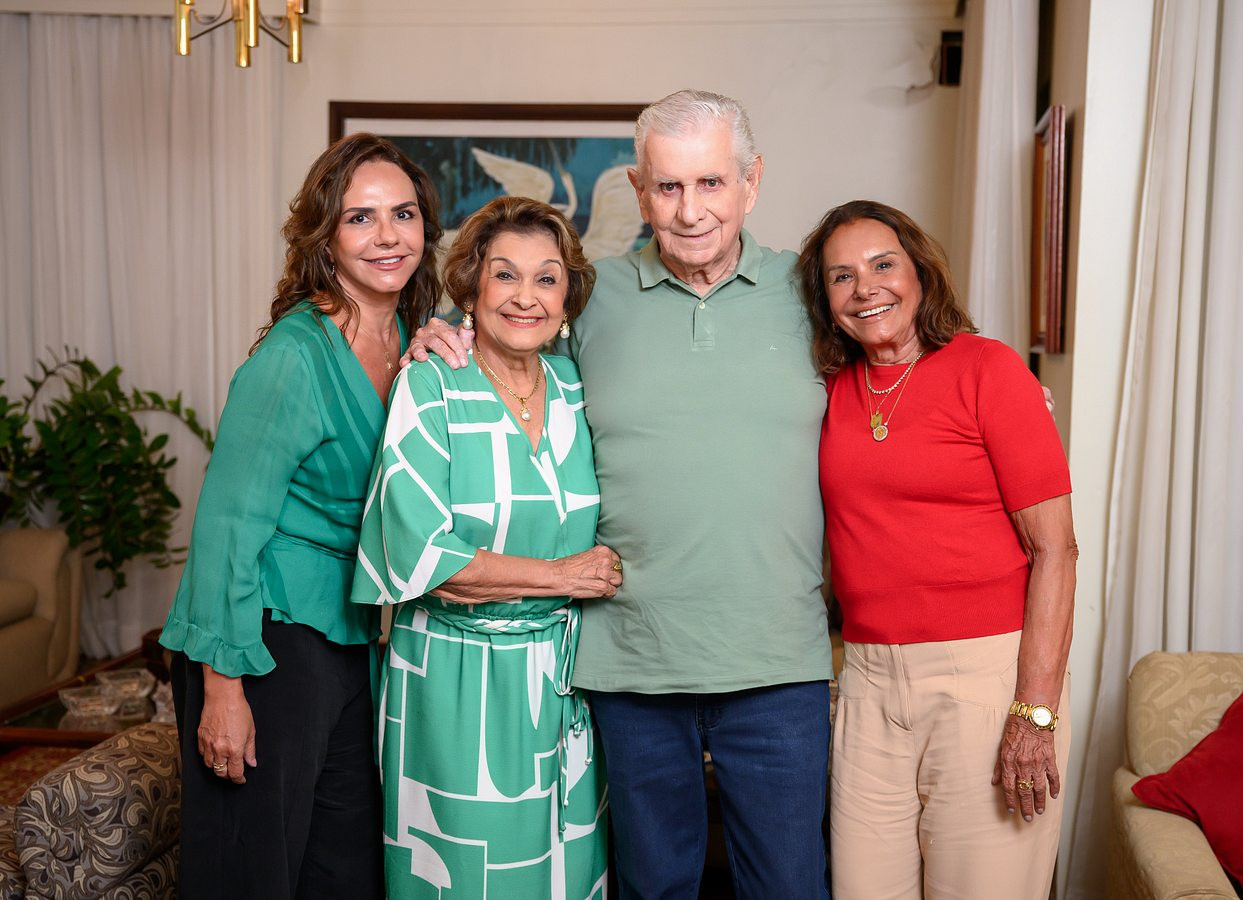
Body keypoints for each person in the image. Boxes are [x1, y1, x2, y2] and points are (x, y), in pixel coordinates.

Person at [408, 90, 832, 899]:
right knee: (650, 887)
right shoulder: (588, 296)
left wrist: (997, 394)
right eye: (667, 186)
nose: (689, 210)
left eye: (710, 183)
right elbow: (504, 335)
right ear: (639, 191)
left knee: (789, 886)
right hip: (630, 661)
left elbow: (904, 347)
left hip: (778, 665)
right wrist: (436, 331)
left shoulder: (808, 292)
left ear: (751, 181)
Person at [159, 132, 442, 899]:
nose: (387, 236)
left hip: (350, 632)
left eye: (403, 213)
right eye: (360, 217)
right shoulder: (294, 356)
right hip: (264, 635)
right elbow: (226, 527)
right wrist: (223, 690)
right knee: (252, 867)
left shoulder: (412, 337)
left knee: (343, 865)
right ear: (326, 236)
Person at [797, 199, 1075, 899]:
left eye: (882, 265)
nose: (865, 288)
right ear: (824, 301)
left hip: (985, 683)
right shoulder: (825, 393)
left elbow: (1056, 551)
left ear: (920, 272)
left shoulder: (989, 369)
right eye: (840, 276)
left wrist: (1035, 711)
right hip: (865, 684)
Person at [351, 195, 620, 899]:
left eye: (546, 278)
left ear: (567, 297)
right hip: (452, 680)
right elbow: (421, 560)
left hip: (562, 684)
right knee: (462, 878)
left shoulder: (578, 388)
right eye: (505, 275)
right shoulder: (429, 384)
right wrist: (561, 575)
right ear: (470, 288)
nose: (526, 297)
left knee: (564, 875)